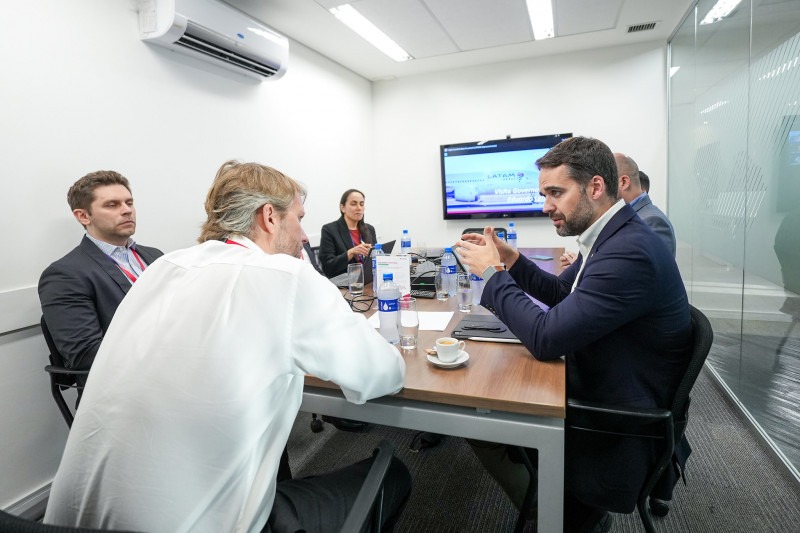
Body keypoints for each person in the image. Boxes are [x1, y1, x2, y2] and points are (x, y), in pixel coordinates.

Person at [44, 161, 411, 533]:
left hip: (69, 520)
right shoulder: (285, 275)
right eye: (298, 218)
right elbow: (382, 375)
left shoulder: (163, 266)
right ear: (269, 217)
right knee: (394, 475)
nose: (303, 236)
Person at [456, 137, 691, 533]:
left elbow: (546, 338)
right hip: (608, 376)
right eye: (544, 194)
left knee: (478, 413)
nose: (546, 205)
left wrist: (492, 274)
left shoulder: (628, 251)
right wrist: (511, 259)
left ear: (595, 187)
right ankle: (553, 502)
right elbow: (562, 293)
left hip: (615, 420)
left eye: (555, 193)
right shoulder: (612, 234)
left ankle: (556, 510)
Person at [38, 171, 163, 390]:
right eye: (112, 205)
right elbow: (86, 354)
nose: (127, 210)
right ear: (83, 216)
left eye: (129, 202)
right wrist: (170, 352)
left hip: (175, 375)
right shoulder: (65, 275)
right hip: (124, 390)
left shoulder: (155, 256)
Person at [559, 154, 675, 267]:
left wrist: (585, 267)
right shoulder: (621, 216)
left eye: (604, 182)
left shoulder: (652, 221)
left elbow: (634, 273)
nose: (599, 190)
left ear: (623, 182)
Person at [616, 153, 676, 257]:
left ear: (624, 182)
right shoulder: (628, 215)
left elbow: (652, 269)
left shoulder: (653, 221)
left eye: (607, 180)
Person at [319, 189, 376, 278]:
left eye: (361, 204)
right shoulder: (329, 230)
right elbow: (327, 267)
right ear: (343, 208)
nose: (359, 208)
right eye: (354, 204)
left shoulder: (369, 229)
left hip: (368, 279)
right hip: (345, 284)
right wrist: (351, 252)